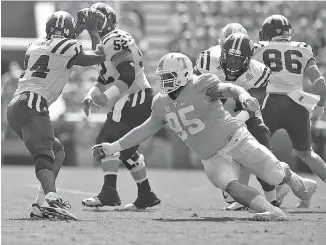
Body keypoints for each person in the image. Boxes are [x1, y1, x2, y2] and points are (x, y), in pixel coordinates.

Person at [92, 52, 317, 221]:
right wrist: (113, 147)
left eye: (169, 77)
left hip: (236, 139)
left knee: (275, 175)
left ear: (184, 74)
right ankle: (272, 211)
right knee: (229, 186)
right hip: (211, 158)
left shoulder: (201, 85)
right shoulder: (161, 102)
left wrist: (244, 94)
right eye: (163, 77)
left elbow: (228, 89)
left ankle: (300, 183)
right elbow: (145, 129)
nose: (165, 82)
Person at [6, 10, 106, 220]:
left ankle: (39, 206)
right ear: (68, 32)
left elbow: (58, 47)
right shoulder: (68, 46)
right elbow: (99, 57)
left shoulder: (35, 45)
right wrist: (93, 32)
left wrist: (75, 31)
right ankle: (52, 199)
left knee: (57, 151)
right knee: (45, 154)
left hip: (16, 106)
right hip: (34, 102)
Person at [195, 24, 291, 210]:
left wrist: (234, 122)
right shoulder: (207, 60)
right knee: (218, 145)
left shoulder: (258, 71)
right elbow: (197, 94)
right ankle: (239, 188)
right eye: (228, 54)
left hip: (243, 105)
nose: (232, 63)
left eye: (238, 59)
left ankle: (273, 196)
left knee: (260, 137)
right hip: (215, 101)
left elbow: (254, 106)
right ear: (221, 48)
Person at [77, 2, 160, 211]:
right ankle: (146, 194)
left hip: (136, 96)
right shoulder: (103, 43)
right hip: (135, 98)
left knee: (106, 140)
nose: (93, 24)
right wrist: (91, 95)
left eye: (98, 19)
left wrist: (107, 97)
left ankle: (109, 193)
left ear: (109, 22)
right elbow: (104, 77)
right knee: (125, 149)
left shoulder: (114, 39)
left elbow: (128, 75)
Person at [253, 14, 326, 208]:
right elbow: (321, 86)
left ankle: (279, 188)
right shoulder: (302, 49)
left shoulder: (259, 48)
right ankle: (289, 187)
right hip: (298, 104)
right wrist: (319, 107)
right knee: (307, 154)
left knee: (257, 151)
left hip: (270, 103)